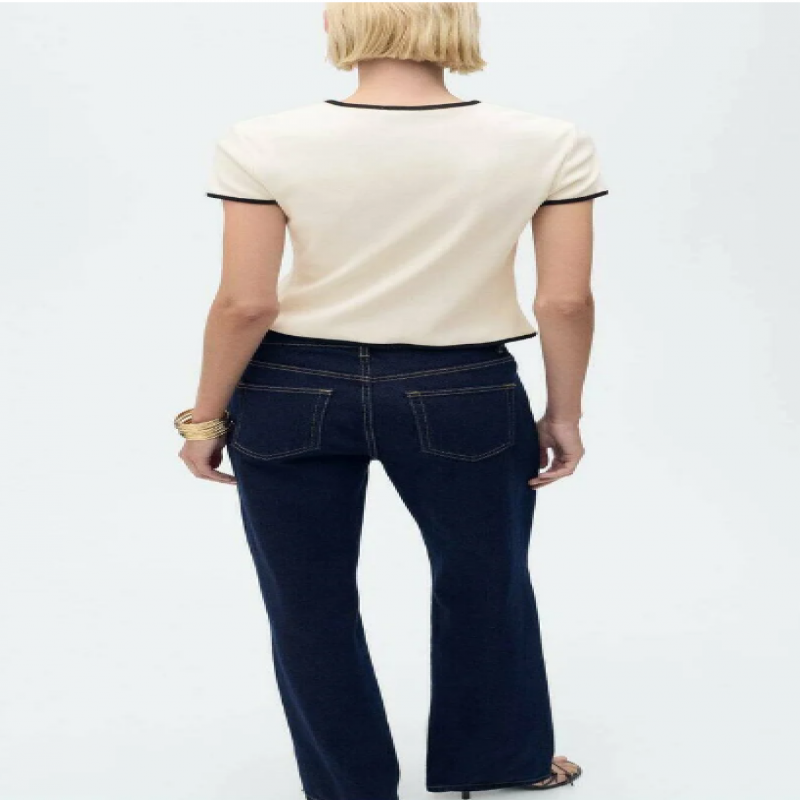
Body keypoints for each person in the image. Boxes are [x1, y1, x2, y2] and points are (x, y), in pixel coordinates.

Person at [175, 3, 608, 799]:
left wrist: (206, 417)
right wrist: (564, 413)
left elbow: (245, 303)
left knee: (308, 603)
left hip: (293, 388)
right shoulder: (548, 141)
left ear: (340, 25)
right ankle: (495, 763)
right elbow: (564, 301)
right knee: (486, 584)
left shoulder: (262, 139)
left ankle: (351, 789)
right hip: (463, 387)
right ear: (459, 23)